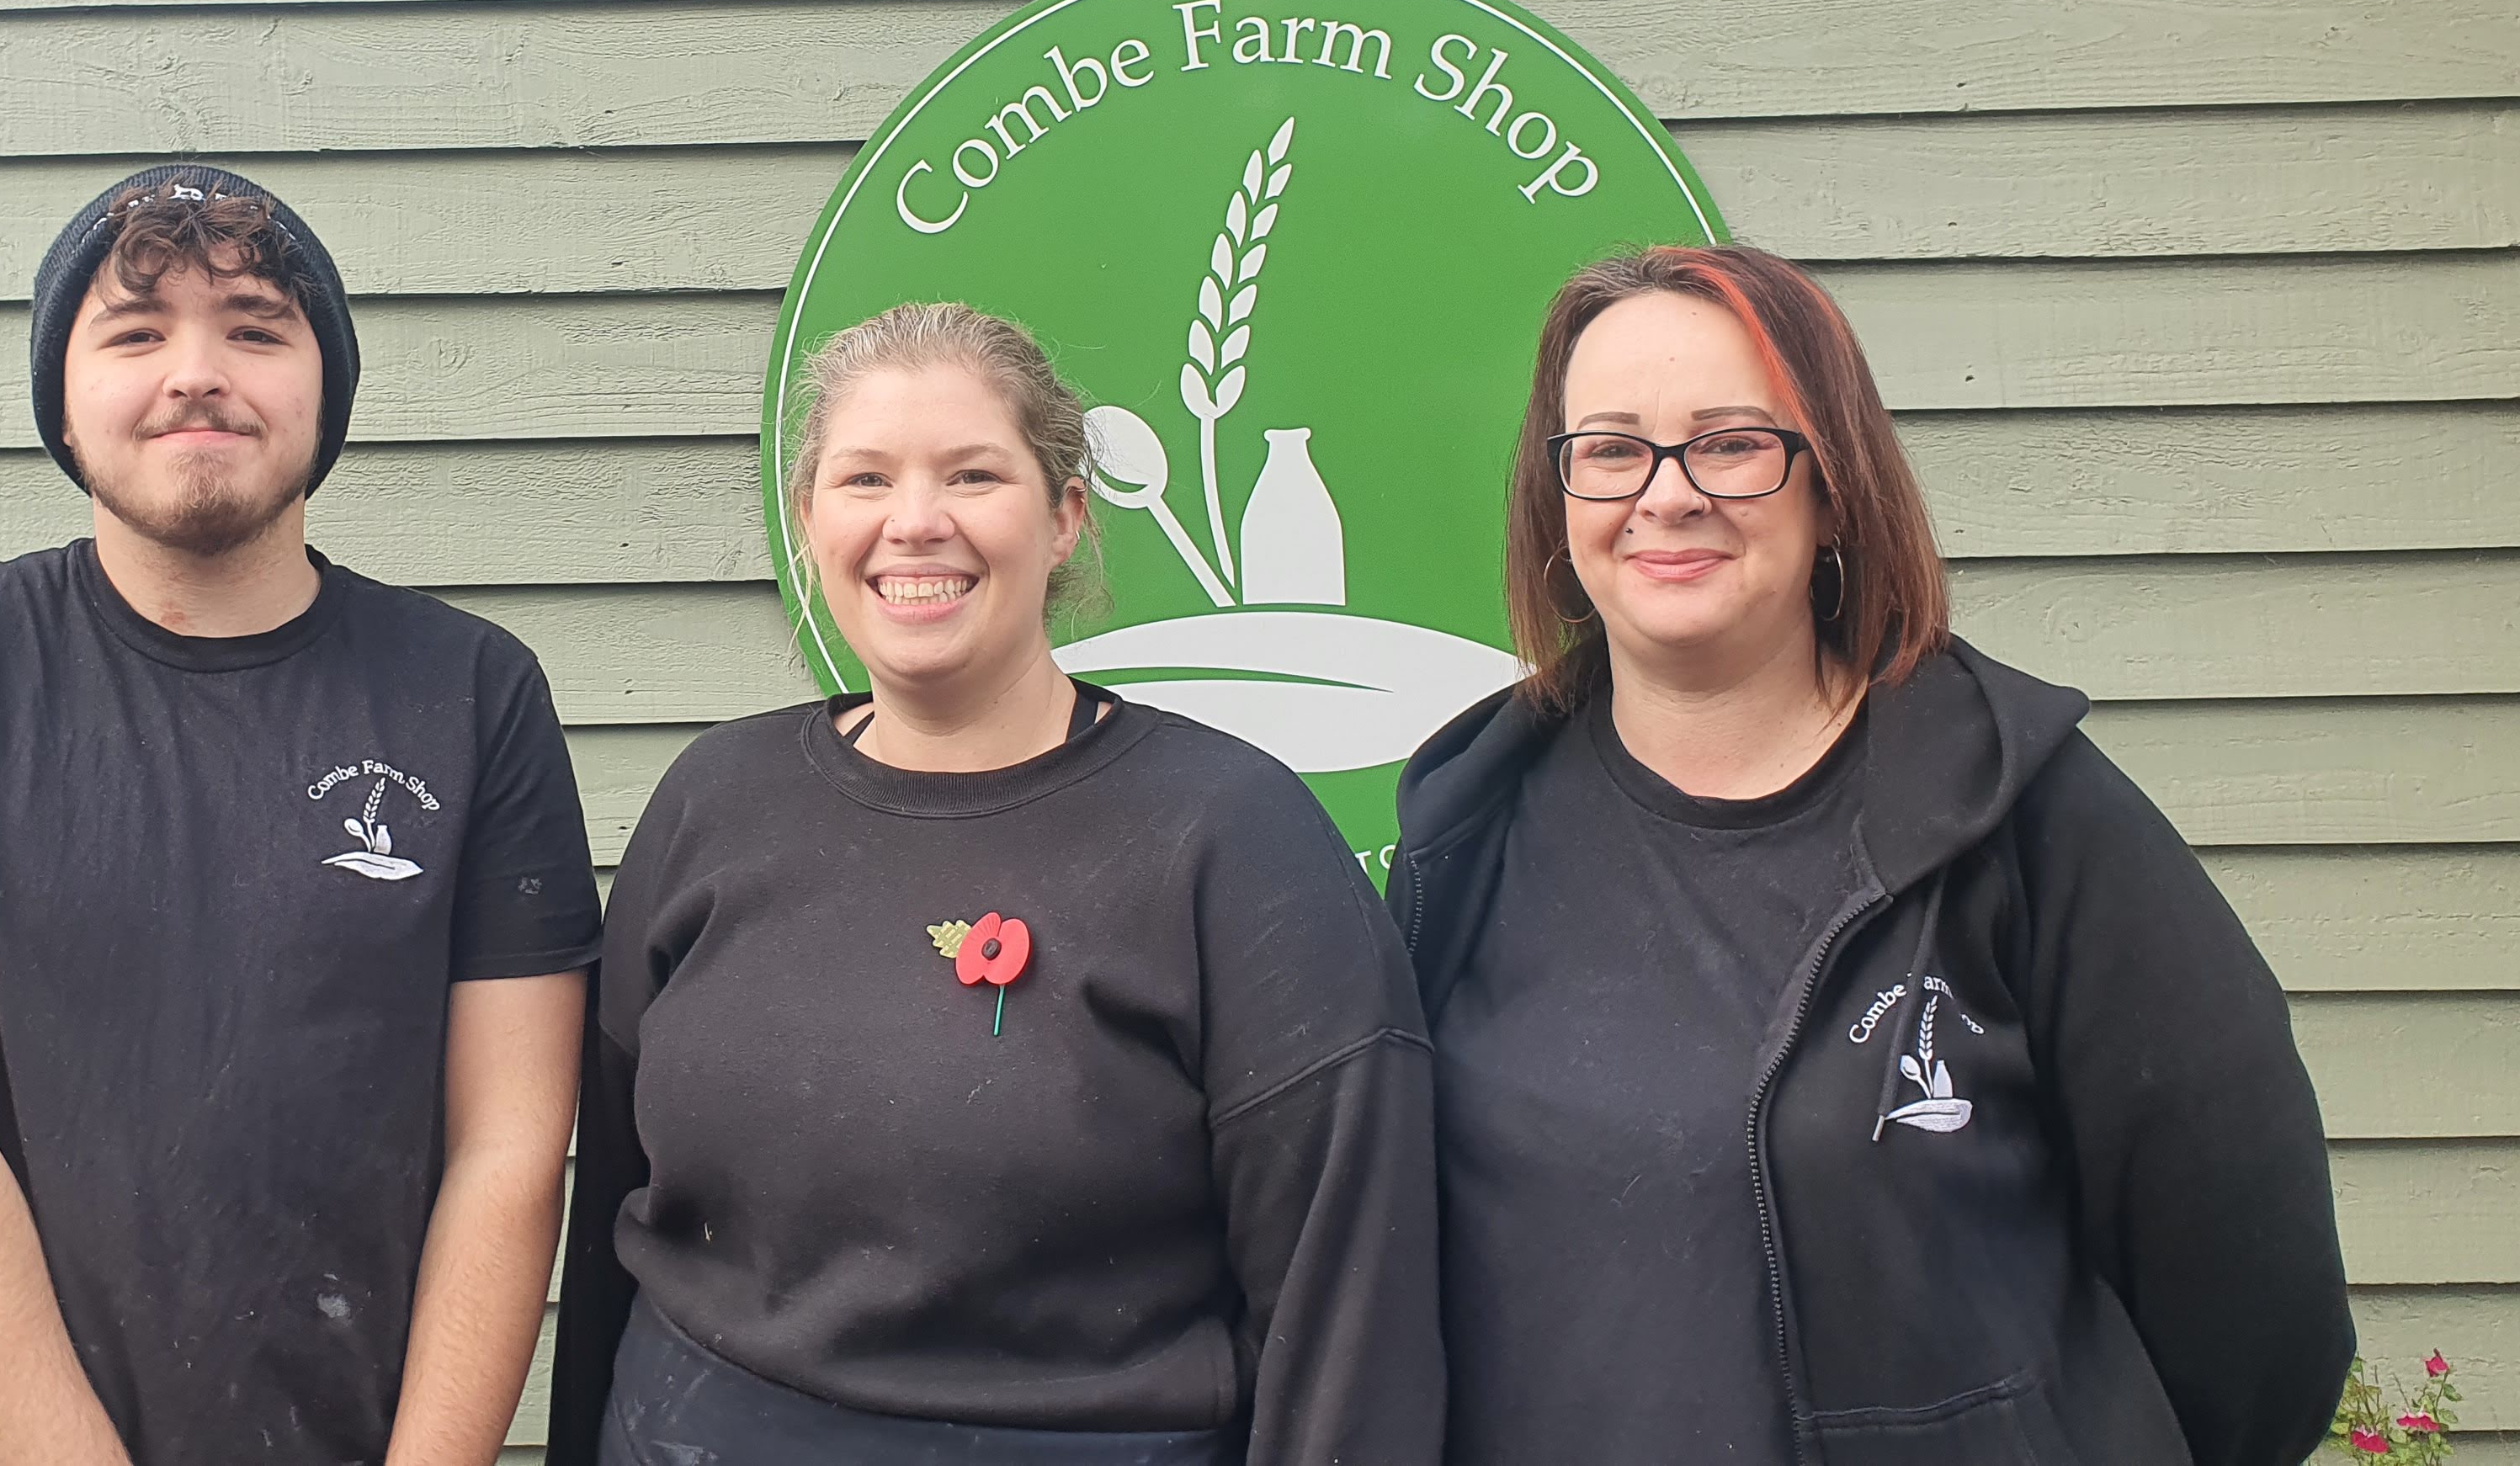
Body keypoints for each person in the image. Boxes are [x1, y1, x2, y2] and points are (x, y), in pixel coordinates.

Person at [1392, 244, 2352, 1466]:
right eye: (1613, 449)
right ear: (1560, 498)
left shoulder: (2022, 815)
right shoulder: (1469, 828)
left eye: (1732, 442)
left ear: (1832, 486)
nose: (1667, 493)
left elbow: (2249, 1289)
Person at [0, 165, 601, 1466]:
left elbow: (510, 1150)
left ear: (324, 386)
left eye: (256, 328)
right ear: (63, 392)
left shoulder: (468, 691)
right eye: (135, 330)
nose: (196, 372)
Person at [550, 301, 1443, 1466]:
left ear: (1067, 513)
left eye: (973, 475)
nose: (914, 524)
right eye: (865, 479)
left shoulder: (1231, 840)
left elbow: (1348, 1314)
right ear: (811, 518)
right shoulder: (712, 804)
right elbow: (615, 1213)